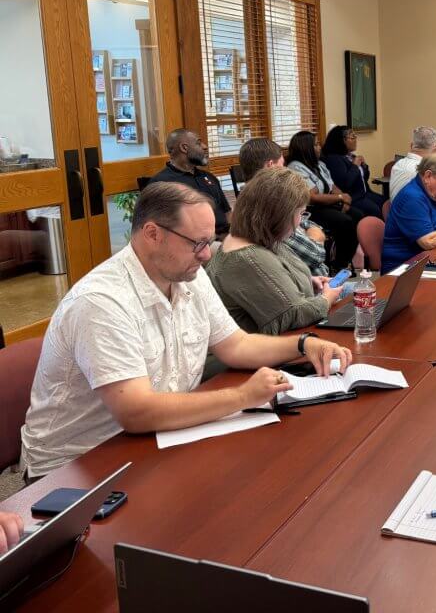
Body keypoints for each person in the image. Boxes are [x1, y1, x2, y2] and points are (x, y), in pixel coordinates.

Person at [20, 182, 352, 480]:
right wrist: (242, 397)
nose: (207, 254)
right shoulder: (101, 302)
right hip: (80, 468)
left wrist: (304, 344)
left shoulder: (186, 272)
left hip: (159, 440)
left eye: (209, 242)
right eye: (198, 243)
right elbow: (136, 412)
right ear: (153, 234)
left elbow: (235, 345)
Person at [206, 168, 344, 334]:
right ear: (279, 216)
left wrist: (308, 281)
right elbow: (294, 314)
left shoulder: (261, 239)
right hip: (277, 348)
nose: (301, 221)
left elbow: (276, 280)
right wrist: (327, 298)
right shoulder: (247, 258)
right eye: (300, 213)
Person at [238, 137, 329, 276]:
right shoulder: (268, 204)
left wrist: (310, 228)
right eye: (282, 164)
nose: (285, 169)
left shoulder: (247, 199)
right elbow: (316, 255)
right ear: (270, 165)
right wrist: (315, 233)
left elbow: (304, 220)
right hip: (311, 287)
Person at [286, 130, 362, 270]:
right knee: (346, 222)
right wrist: (340, 198)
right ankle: (338, 265)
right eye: (315, 145)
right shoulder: (295, 167)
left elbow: (332, 186)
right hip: (311, 210)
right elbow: (312, 197)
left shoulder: (319, 164)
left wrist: (343, 200)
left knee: (359, 216)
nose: (319, 147)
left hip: (327, 205)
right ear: (306, 148)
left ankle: (342, 259)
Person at [149, 128, 232, 238]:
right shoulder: (161, 183)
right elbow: (163, 227)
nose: (204, 146)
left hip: (226, 238)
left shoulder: (209, 177)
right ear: (184, 148)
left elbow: (227, 212)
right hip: (197, 243)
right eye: (198, 143)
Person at [321, 125, 386, 219]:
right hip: (353, 197)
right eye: (352, 137)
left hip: (364, 193)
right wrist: (355, 166)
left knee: (386, 203)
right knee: (375, 210)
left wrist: (364, 166)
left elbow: (363, 178)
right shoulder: (334, 159)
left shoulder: (350, 156)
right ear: (341, 141)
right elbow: (345, 184)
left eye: (355, 136)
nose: (356, 139)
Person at [389, 126, 436, 212]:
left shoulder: (398, 165)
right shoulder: (426, 172)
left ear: (411, 145)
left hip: (398, 218)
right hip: (418, 220)